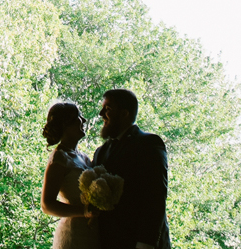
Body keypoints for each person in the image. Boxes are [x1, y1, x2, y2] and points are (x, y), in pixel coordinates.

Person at [92, 89, 171, 249]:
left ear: (124, 114)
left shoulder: (149, 144)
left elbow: (155, 198)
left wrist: (145, 244)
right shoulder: (101, 151)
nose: (101, 114)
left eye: (107, 109)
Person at [41, 101, 100, 249]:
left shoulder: (83, 157)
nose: (84, 120)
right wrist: (84, 212)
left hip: (92, 235)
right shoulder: (59, 158)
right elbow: (47, 205)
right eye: (79, 116)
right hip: (73, 236)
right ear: (66, 124)